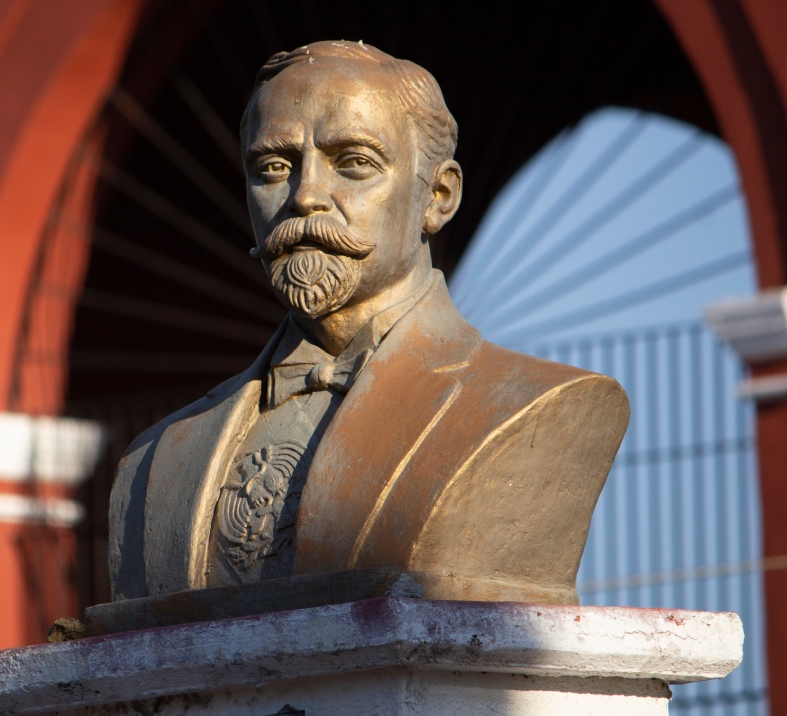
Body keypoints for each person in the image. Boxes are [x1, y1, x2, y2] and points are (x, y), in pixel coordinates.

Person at [108, 41, 629, 606]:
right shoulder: (153, 465)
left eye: (354, 163)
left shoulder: (535, 406)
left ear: (439, 196)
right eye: (273, 168)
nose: (304, 196)